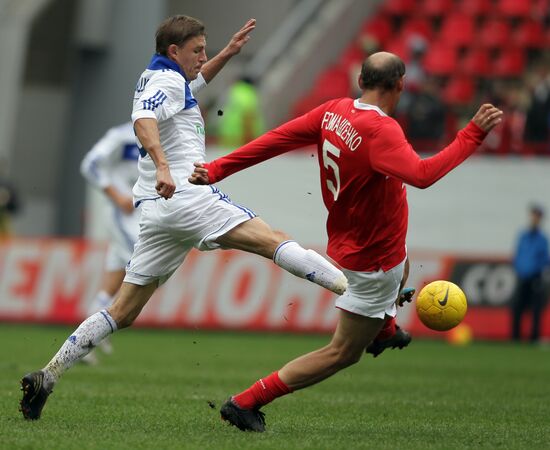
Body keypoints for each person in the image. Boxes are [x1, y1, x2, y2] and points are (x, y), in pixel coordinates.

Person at [19, 15, 347, 420]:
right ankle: (352, 293)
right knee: (271, 238)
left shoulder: (164, 77)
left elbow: (189, 87)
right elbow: (144, 121)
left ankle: (47, 376)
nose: (202, 57)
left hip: (156, 212)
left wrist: (226, 54)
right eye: (197, 51)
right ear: (174, 52)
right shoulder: (166, 82)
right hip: (183, 195)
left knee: (122, 311)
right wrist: (161, 165)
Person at [188, 51, 503, 432]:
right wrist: (472, 134)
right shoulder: (381, 132)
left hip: (355, 241)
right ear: (400, 84)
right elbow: (422, 175)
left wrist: (219, 167)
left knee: (403, 261)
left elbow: (276, 139)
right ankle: (246, 401)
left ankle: (384, 330)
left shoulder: (333, 111)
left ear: (361, 81)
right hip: (371, 259)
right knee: (341, 352)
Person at [80, 122, 140, 363]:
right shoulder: (122, 135)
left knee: (112, 284)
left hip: (141, 214)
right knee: (146, 261)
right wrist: (116, 195)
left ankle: (88, 338)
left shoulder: (164, 133)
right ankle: (104, 326)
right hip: (123, 213)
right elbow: (90, 164)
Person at [511, 204, 550, 343]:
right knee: (517, 307)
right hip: (522, 277)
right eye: (533, 215)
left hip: (535, 278)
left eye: (537, 216)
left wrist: (537, 271)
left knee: (535, 310)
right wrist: (518, 269)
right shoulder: (523, 236)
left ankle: (534, 338)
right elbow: (518, 255)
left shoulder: (543, 239)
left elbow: (546, 259)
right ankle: (515, 338)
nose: (535, 219)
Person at [217, 76, 265, 148]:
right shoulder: (248, 93)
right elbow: (248, 115)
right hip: (241, 137)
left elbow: (221, 112)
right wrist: (249, 138)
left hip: (227, 135)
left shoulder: (233, 92)